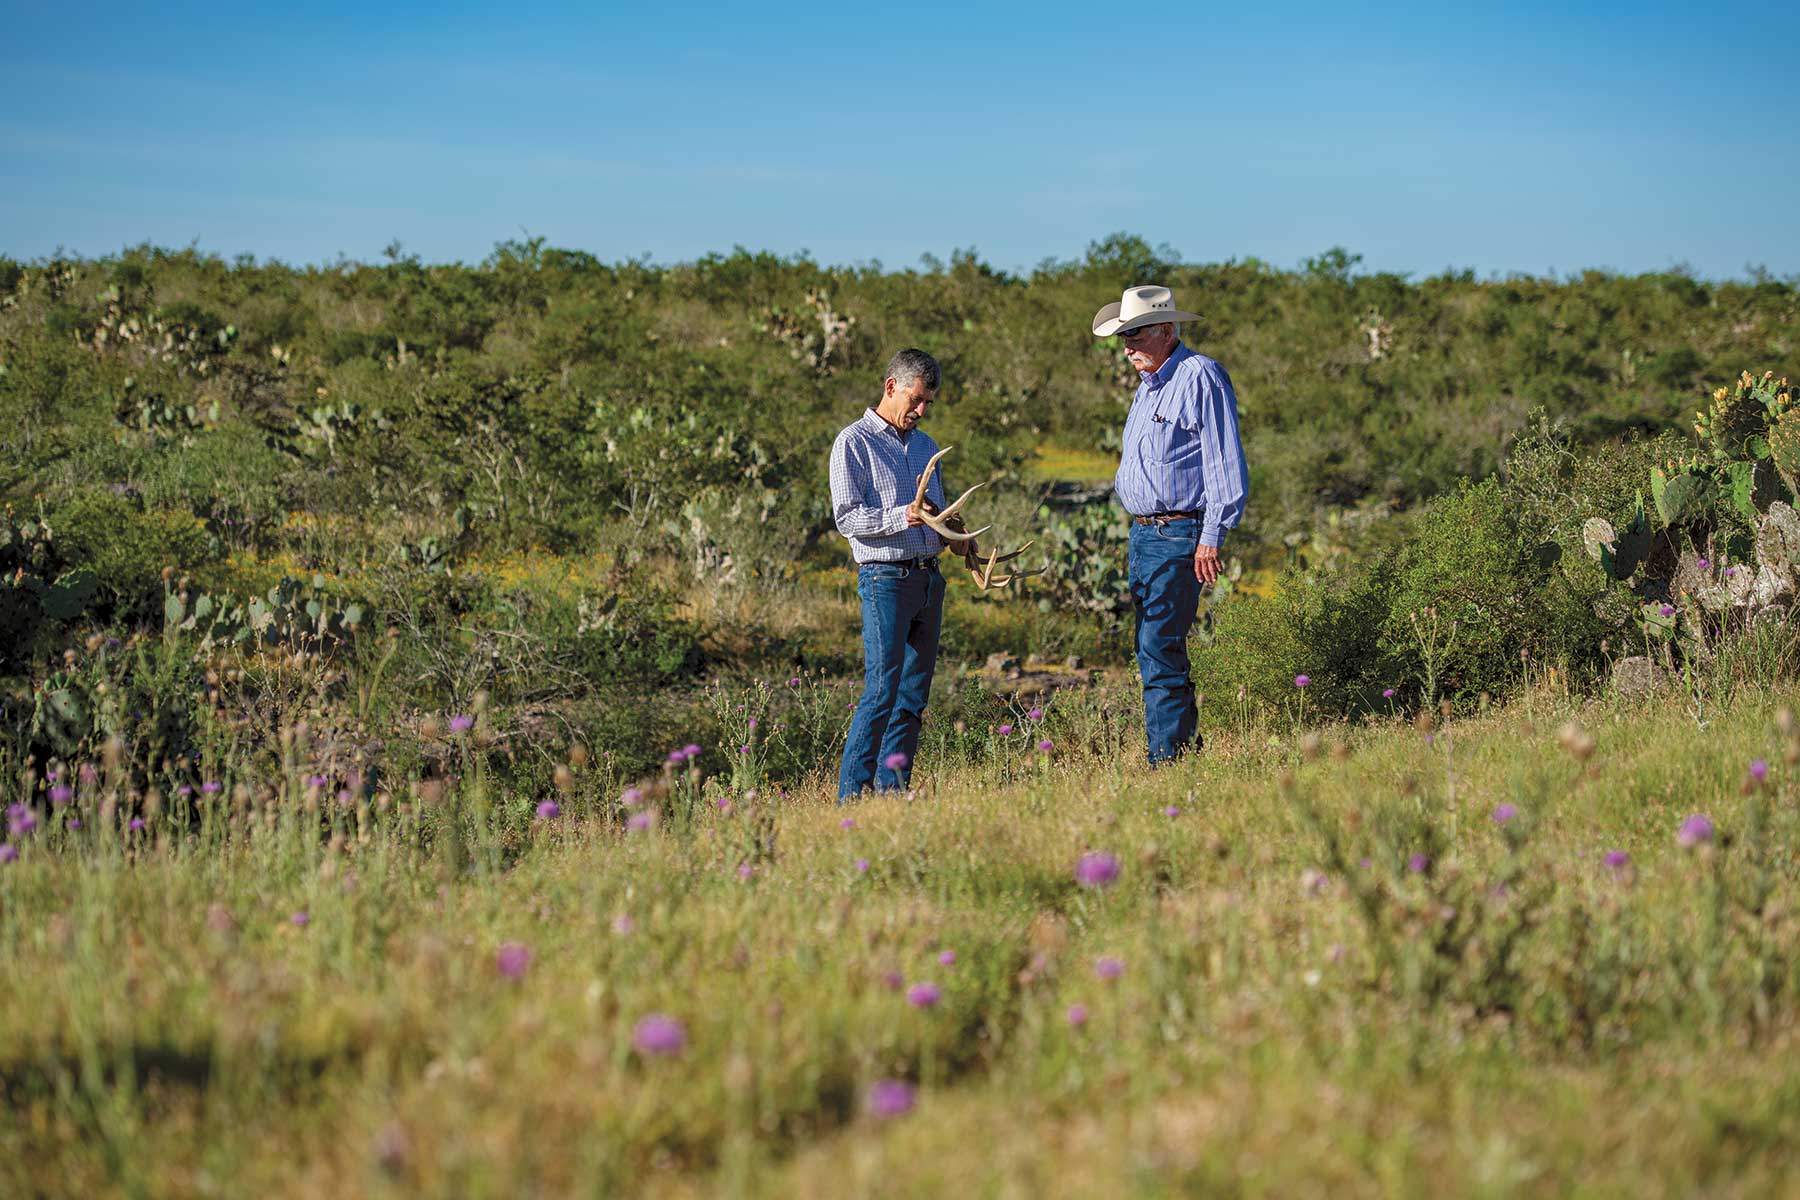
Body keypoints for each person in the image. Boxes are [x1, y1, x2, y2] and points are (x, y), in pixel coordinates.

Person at [1092, 285, 1249, 765]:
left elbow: (1224, 462)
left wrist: (1211, 537)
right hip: (1144, 535)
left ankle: (1170, 760)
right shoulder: (1148, 388)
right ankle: (1174, 750)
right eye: (1124, 336)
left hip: (1179, 533)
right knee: (1151, 645)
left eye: (1135, 333)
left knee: (1159, 643)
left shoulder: (1199, 376)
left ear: (1166, 330)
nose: (1127, 345)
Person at [829, 348, 968, 799]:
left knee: (911, 697)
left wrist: (957, 536)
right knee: (881, 690)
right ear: (892, 387)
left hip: (929, 578)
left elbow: (935, 512)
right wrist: (901, 516)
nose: (922, 410)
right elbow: (848, 518)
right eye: (916, 399)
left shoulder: (927, 446)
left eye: (929, 402)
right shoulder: (853, 442)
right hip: (884, 579)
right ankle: (852, 795)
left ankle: (892, 792)